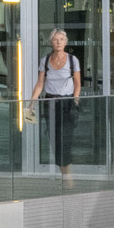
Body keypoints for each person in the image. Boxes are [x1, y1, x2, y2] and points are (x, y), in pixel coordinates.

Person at [33, 26, 81, 184]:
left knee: (66, 138)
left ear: (66, 42)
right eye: (55, 39)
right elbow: (40, 84)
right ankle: (65, 175)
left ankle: (67, 177)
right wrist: (32, 103)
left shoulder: (73, 60)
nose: (58, 42)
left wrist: (75, 100)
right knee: (54, 139)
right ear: (51, 42)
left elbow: (77, 83)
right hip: (50, 102)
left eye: (61, 39)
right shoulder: (45, 60)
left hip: (67, 103)